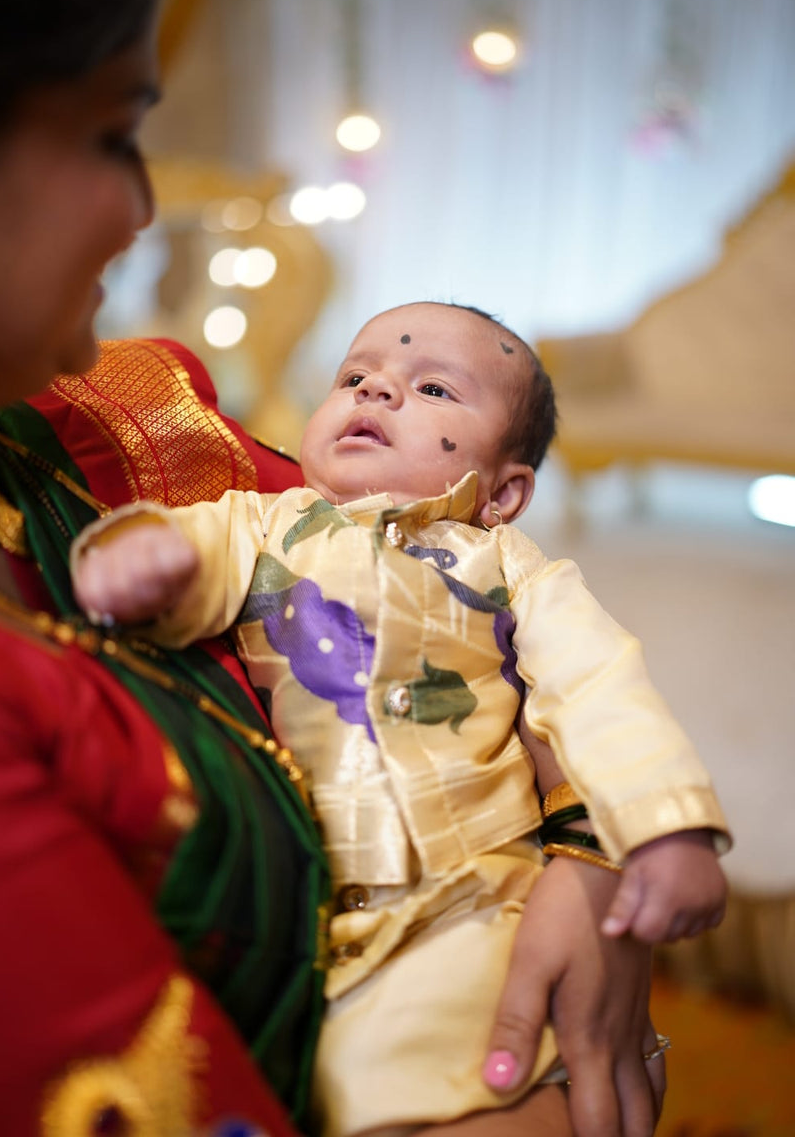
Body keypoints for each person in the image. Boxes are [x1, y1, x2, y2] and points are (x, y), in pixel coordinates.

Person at [72, 301, 730, 1137]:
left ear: (505, 492)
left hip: (485, 890)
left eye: (429, 387)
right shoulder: (261, 523)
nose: (376, 389)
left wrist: (668, 828)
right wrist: (135, 554)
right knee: (363, 1095)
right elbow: (178, 554)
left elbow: (601, 685)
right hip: (324, 912)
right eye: (354, 376)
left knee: (510, 1081)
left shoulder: (513, 569)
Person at [0, 0, 328, 1134]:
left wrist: (570, 860)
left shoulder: (133, 417)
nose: (142, 210)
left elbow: (455, 587)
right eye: (107, 136)